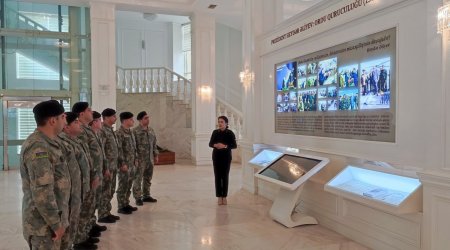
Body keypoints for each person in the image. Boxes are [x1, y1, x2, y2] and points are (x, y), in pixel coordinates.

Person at [20, 100, 70, 250]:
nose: (65, 121)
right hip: (43, 226)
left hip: (53, 220)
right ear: (53, 120)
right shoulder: (38, 147)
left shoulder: (49, 142)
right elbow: (42, 192)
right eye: (63, 117)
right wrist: (56, 224)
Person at [72, 102, 105, 245]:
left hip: (94, 173)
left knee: (91, 205)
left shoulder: (87, 129)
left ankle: (88, 229)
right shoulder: (80, 131)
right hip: (86, 176)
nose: (92, 112)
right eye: (89, 110)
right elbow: (82, 157)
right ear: (81, 114)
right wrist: (91, 176)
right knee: (85, 207)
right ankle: (81, 237)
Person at [57, 112, 84, 250]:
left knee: (72, 225)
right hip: (67, 197)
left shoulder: (73, 141)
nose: (80, 125)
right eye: (76, 122)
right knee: (66, 228)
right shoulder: (60, 143)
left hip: (75, 192)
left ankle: (72, 243)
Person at [98, 108, 121, 222]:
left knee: (110, 190)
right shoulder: (102, 131)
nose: (115, 118)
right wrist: (105, 167)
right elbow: (102, 150)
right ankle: (102, 215)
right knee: (105, 190)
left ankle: (107, 211)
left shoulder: (110, 130)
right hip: (107, 167)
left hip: (113, 166)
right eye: (113, 116)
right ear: (106, 118)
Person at [208, 116, 237, 205]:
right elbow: (210, 144)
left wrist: (224, 146)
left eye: (222, 122)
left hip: (226, 158)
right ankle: (219, 197)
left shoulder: (230, 133)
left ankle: (224, 196)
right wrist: (216, 145)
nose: (219, 123)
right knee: (217, 177)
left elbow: (234, 145)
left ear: (226, 123)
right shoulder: (215, 132)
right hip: (216, 157)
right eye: (219, 122)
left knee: (225, 176)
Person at [133, 111, 159, 205]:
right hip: (140, 160)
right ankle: (138, 197)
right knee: (138, 179)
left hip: (150, 159)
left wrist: (155, 155)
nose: (148, 119)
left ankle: (146, 195)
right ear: (140, 120)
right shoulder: (135, 131)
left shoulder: (151, 130)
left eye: (148, 117)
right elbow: (133, 146)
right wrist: (135, 159)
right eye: (145, 118)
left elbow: (154, 143)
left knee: (148, 178)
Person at [116, 112, 139, 214]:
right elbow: (119, 150)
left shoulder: (131, 132)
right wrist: (122, 163)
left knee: (129, 184)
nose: (133, 121)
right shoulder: (119, 133)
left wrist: (136, 159)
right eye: (131, 119)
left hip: (132, 164)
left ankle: (126, 203)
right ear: (125, 121)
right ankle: (121, 206)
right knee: (123, 185)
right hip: (125, 164)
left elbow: (134, 148)